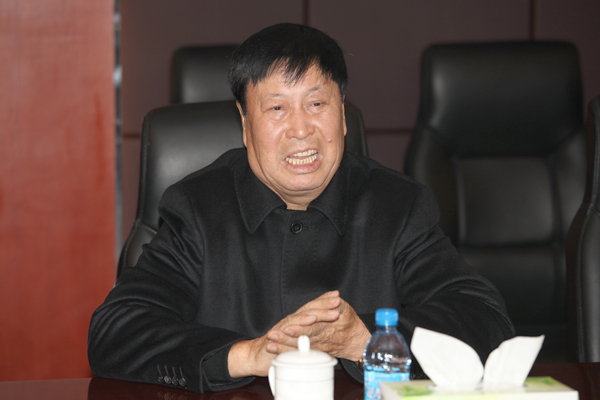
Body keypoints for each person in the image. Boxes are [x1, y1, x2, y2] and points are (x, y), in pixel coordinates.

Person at [88, 23, 514, 393]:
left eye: (316, 104)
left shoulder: (397, 206)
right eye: (277, 108)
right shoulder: (198, 209)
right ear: (245, 123)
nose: (300, 130)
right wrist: (247, 354)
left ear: (342, 115)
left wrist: (362, 340)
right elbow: (116, 330)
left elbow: (485, 321)